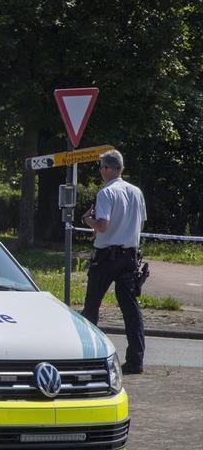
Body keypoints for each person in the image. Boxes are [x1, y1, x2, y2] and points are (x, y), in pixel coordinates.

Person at [80, 149, 145, 374]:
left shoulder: (106, 193)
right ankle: (136, 360)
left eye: (101, 168)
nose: (100, 172)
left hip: (106, 257)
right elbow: (140, 223)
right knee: (130, 308)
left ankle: (87, 358)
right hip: (130, 256)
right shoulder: (136, 192)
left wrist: (88, 220)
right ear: (122, 168)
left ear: (107, 169)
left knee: (91, 307)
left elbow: (103, 225)